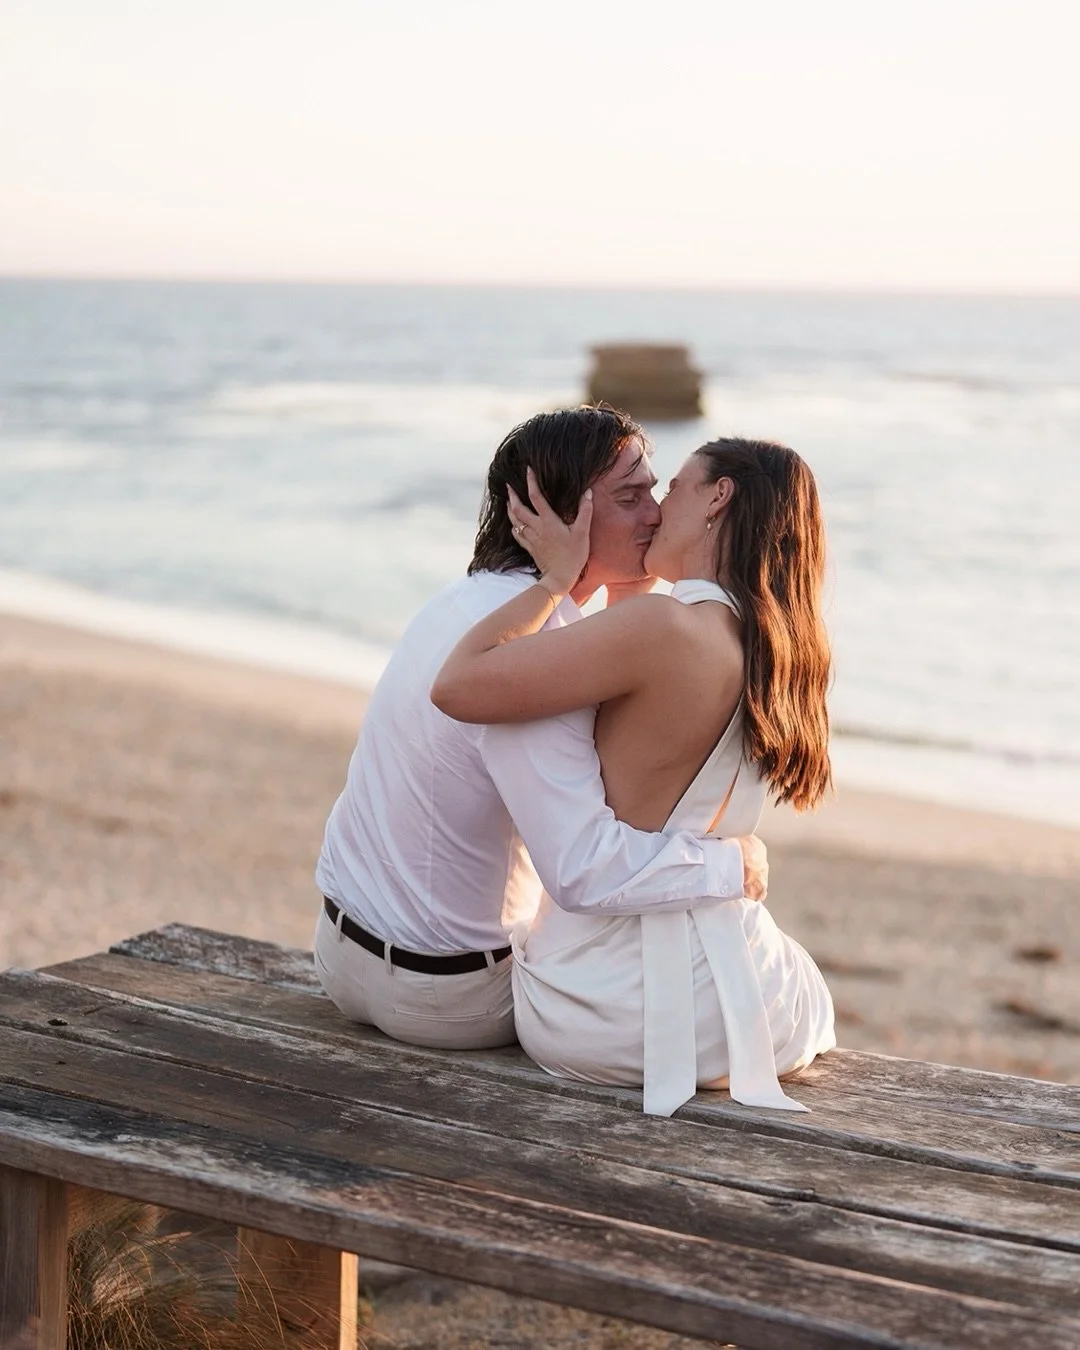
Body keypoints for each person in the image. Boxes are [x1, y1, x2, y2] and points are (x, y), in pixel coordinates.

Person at [314, 407, 769, 1052]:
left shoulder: (468, 603)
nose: (655, 514)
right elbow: (584, 872)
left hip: (340, 953)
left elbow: (615, 668)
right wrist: (732, 865)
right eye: (629, 497)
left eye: (654, 491)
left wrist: (625, 582)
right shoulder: (537, 660)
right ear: (556, 516)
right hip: (446, 999)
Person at [432, 437, 836, 1113]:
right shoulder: (783, 648)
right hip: (759, 1001)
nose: (653, 510)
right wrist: (633, 586)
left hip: (604, 1012)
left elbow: (460, 686)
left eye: (673, 486)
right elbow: (651, 745)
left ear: (719, 496)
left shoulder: (663, 628)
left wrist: (556, 583)